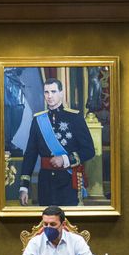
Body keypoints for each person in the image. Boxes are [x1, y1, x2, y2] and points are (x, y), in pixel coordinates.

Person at [18, 76, 95, 207]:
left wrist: (65, 159)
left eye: (53, 92)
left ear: (61, 92)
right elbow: (30, 154)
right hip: (45, 184)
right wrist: (24, 187)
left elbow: (89, 150)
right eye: (46, 92)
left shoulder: (75, 117)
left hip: (68, 183)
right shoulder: (38, 120)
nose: (49, 96)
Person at [14, 206, 99, 255]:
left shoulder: (76, 240)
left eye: (53, 224)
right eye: (45, 224)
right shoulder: (35, 242)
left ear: (63, 224)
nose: (48, 227)